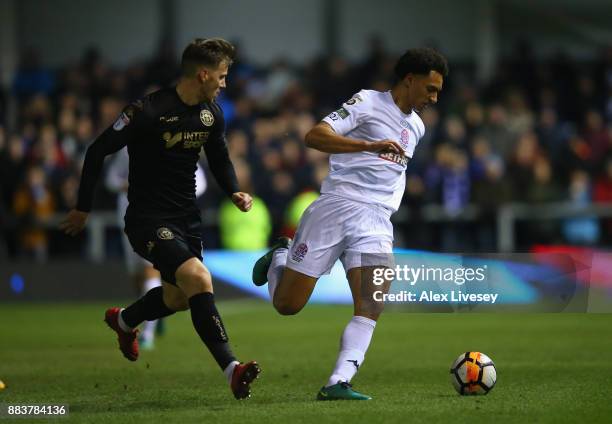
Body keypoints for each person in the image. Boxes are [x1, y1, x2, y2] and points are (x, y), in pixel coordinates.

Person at [60, 38, 260, 400]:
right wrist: (82, 207)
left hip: (187, 218)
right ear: (203, 74)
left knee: (178, 298)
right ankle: (233, 369)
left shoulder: (211, 113)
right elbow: (97, 151)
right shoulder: (147, 111)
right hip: (147, 219)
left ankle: (123, 321)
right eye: (222, 75)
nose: (224, 83)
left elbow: (219, 157)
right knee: (199, 278)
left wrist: (234, 191)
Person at [253, 47, 447, 400]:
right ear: (409, 80)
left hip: (376, 220)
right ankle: (280, 257)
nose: (434, 98)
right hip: (337, 208)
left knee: (372, 303)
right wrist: (369, 145)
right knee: (287, 306)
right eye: (430, 89)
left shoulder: (416, 126)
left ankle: (337, 382)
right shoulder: (368, 102)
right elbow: (314, 136)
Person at [105, 146, 208, 349]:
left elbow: (200, 180)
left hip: (159, 217)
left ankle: (147, 334)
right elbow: (111, 179)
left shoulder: (176, 142)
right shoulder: (128, 149)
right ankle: (153, 315)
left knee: (150, 271)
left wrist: (179, 192)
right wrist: (124, 185)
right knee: (137, 276)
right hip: (128, 215)